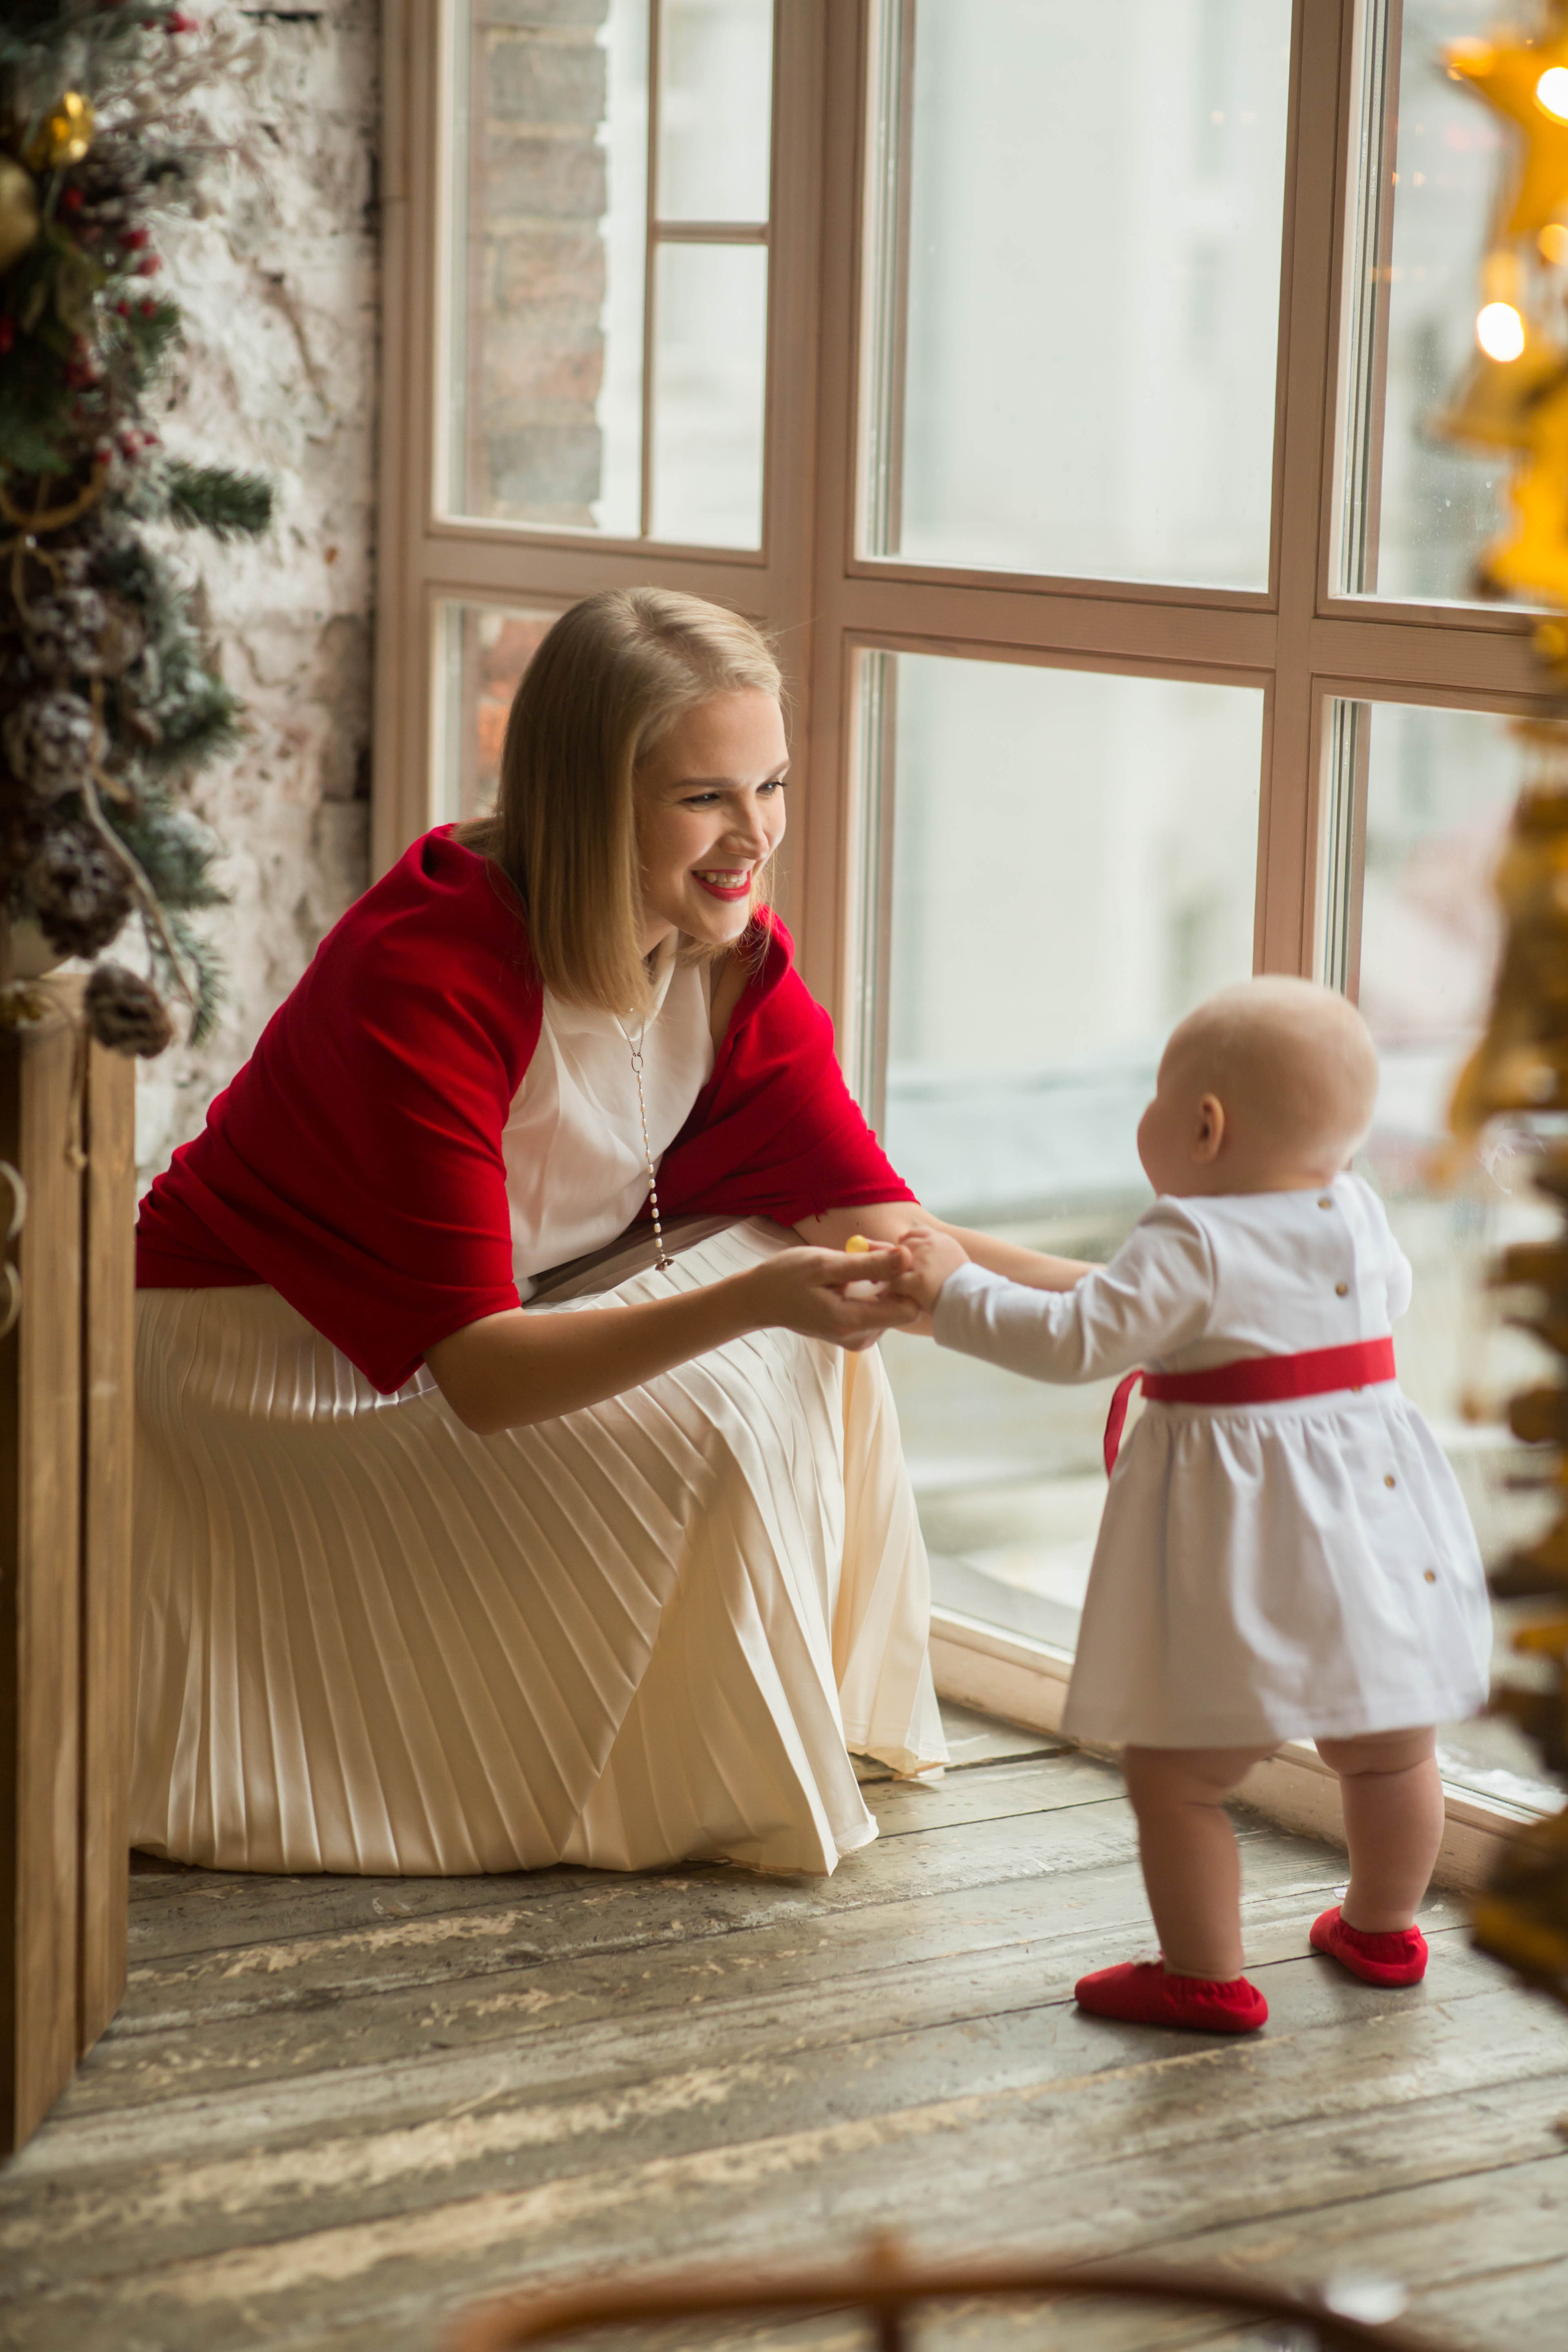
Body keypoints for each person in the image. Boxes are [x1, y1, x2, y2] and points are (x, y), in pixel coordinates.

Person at [132, 587, 1087, 1879]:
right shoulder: (427, 975)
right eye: (704, 798)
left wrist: (1140, 1307)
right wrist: (755, 1304)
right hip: (257, 1371)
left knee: (781, 1282)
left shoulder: (727, 961)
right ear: (588, 801)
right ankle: (662, 1770)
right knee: (748, 1329)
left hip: (462, 1340)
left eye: (772, 784)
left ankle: (711, 1741)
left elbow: (887, 1228)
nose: (753, 836)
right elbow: (476, 1374)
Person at [892, 978, 1491, 2034]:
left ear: (1203, 1127)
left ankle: (1204, 1974)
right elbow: (1371, 1305)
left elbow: (1075, 1339)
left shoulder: (1190, 1239)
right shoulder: (1354, 1211)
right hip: (1377, 1520)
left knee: (1179, 1777)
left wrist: (947, 1288)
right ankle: (1384, 1924)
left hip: (1252, 1545)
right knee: (1392, 1746)